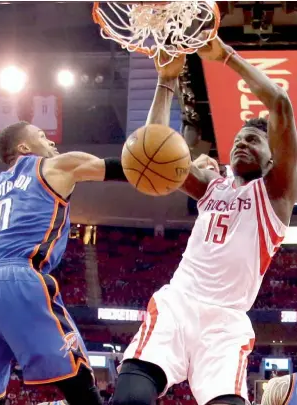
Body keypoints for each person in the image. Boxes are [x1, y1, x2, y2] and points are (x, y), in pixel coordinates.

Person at [112, 35, 297, 405]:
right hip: (178, 305)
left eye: (253, 141)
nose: (242, 143)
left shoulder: (275, 194)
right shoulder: (213, 187)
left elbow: (280, 103)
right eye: (238, 139)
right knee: (130, 399)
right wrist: (166, 81)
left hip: (226, 323)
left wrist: (225, 56)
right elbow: (153, 148)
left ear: (272, 158)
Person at [0, 122, 128, 405]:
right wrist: (181, 166)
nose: (52, 143)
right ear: (24, 148)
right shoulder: (56, 165)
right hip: (18, 279)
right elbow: (130, 167)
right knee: (80, 382)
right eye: (43, 137)